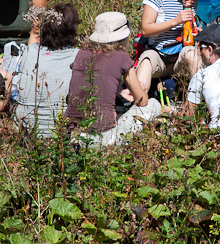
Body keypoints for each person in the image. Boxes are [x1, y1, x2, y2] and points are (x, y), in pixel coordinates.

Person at [64, 12, 161, 147]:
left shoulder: (81, 54)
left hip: (73, 136)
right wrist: (141, 89)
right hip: (104, 138)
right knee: (153, 104)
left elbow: (88, 85)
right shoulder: (121, 57)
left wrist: (118, 93)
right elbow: (141, 101)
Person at [135, 0, 220, 94]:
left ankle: (200, 102)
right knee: (146, 61)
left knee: (192, 54)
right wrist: (175, 21)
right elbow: (146, 30)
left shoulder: (193, 0)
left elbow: (188, 29)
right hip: (157, 53)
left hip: (180, 56)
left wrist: (197, 33)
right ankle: (139, 105)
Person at [11, 3, 80, 138]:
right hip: (62, 134)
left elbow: (34, 41)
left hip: (26, 132)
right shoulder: (79, 56)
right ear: (72, 29)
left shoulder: (30, 52)